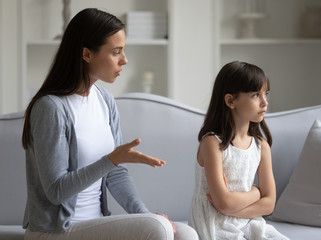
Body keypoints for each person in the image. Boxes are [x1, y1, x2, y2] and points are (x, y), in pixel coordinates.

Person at [22, 8, 198, 240]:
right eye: (116, 52)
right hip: (55, 230)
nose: (124, 60)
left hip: (95, 223)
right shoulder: (51, 108)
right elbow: (56, 192)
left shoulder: (104, 100)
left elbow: (116, 174)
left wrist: (145, 215)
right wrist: (111, 160)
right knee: (158, 229)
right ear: (87, 54)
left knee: (185, 233)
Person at [189, 61, 288, 240]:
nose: (264, 102)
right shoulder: (212, 143)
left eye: (266, 94)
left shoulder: (261, 146)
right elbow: (224, 203)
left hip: (249, 221)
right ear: (230, 100)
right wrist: (256, 193)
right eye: (256, 95)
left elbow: (269, 204)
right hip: (215, 222)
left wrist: (235, 207)